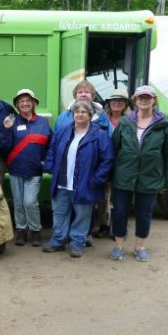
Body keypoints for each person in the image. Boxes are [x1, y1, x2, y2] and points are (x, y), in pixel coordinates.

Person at [109, 85, 168, 262]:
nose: (144, 100)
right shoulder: (125, 122)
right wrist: (111, 175)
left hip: (150, 176)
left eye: (148, 97)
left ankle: (139, 247)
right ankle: (119, 246)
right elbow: (114, 148)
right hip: (124, 176)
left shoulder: (164, 124)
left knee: (144, 213)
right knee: (120, 212)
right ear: (134, 100)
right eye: (140, 97)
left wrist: (167, 180)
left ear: (154, 100)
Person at [42, 101, 114, 258]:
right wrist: (50, 166)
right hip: (62, 182)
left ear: (90, 115)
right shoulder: (62, 131)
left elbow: (107, 160)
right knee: (60, 213)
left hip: (85, 184)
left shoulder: (99, 135)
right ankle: (58, 240)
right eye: (77, 112)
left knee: (82, 215)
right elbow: (52, 150)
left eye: (83, 112)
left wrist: (96, 179)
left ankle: (77, 243)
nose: (79, 114)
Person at [1, 89, 51, 247]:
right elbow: (5, 146)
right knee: (18, 202)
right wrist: (6, 130)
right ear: (17, 105)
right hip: (16, 169)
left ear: (34, 103)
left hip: (34, 170)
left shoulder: (43, 122)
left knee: (30, 202)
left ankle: (35, 230)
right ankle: (21, 231)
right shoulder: (12, 121)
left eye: (28, 100)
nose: (25, 103)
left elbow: (51, 145)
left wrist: (45, 162)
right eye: (21, 101)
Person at [93, 87, 132, 238]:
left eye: (120, 100)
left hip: (123, 164)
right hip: (103, 162)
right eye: (113, 100)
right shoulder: (100, 118)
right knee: (103, 197)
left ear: (126, 104)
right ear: (108, 103)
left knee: (120, 198)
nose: (116, 103)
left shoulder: (131, 121)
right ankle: (104, 225)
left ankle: (119, 228)